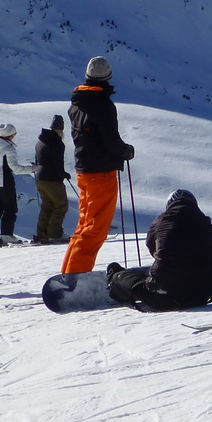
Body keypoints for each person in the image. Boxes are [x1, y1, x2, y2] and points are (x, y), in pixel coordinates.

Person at [61, 56, 135, 275]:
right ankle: (76, 276)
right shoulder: (102, 105)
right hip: (100, 171)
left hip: (84, 170)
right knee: (95, 228)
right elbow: (110, 141)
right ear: (108, 78)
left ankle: (69, 273)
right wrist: (126, 151)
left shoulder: (77, 103)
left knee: (84, 225)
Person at [107, 189, 212, 311]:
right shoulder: (205, 222)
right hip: (202, 295)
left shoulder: (160, 221)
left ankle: (115, 282)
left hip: (165, 298)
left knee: (125, 279)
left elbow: (151, 246)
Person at [31, 114, 72, 244]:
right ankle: (54, 233)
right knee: (61, 205)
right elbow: (57, 162)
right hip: (52, 178)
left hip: (40, 177)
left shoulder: (40, 141)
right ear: (61, 130)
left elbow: (39, 160)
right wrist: (63, 174)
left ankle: (41, 233)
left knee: (47, 205)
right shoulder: (57, 143)